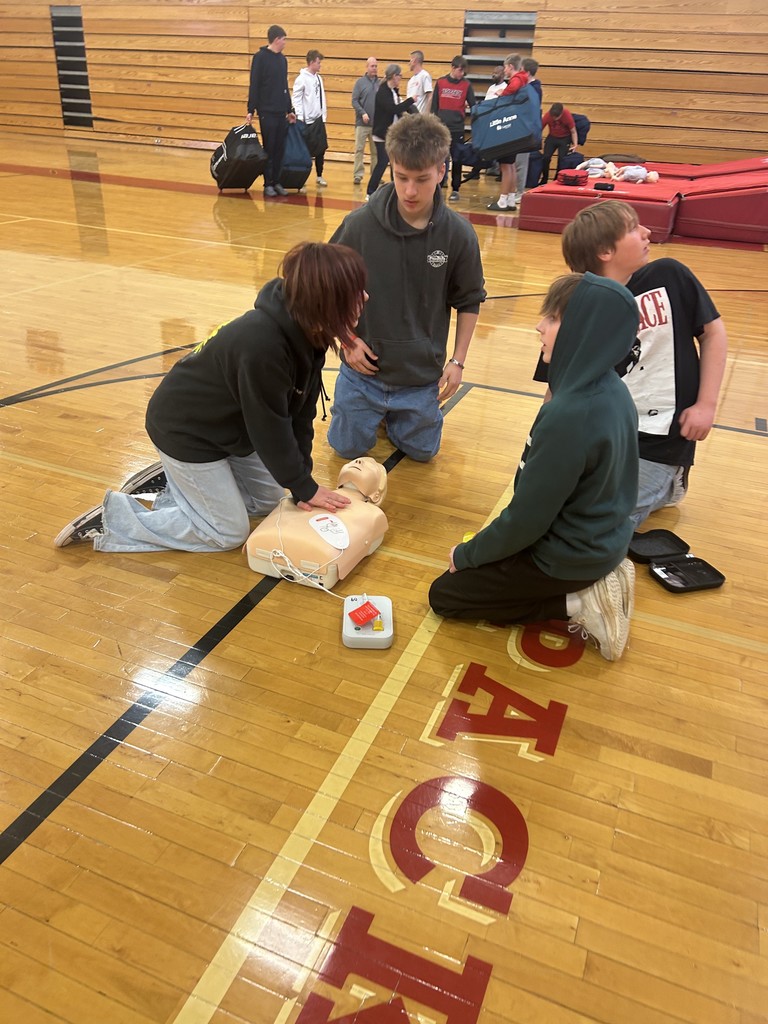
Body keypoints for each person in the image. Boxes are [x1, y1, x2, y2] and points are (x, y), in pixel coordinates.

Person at [54, 243, 370, 552]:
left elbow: (299, 415)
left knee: (269, 502)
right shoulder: (262, 344)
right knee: (227, 532)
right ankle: (115, 518)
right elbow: (270, 427)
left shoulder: (308, 330)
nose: (365, 297)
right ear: (326, 300)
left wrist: (303, 483)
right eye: (355, 292)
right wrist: (304, 486)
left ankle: (174, 486)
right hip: (188, 431)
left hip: (233, 430)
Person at [429, 273, 639, 662]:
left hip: (569, 556)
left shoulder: (570, 414)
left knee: (445, 596)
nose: (539, 327)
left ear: (584, 331)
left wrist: (467, 555)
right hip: (603, 540)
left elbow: (527, 521)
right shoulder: (611, 389)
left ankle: (579, 601)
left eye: (554, 319)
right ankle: (593, 581)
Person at [538, 200, 728, 528]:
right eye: (632, 228)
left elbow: (713, 333)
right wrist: (541, 449)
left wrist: (706, 404)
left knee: (598, 520)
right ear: (604, 250)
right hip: (596, 447)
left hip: (657, 451)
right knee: (550, 505)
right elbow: (558, 389)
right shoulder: (575, 305)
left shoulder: (669, 275)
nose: (646, 232)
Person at [327, 113, 485, 463]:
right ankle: (373, 413)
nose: (410, 191)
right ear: (391, 168)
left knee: (422, 453)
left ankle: (395, 419)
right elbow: (325, 288)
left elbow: (470, 300)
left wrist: (458, 361)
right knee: (345, 449)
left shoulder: (458, 234)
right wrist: (347, 341)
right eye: (401, 178)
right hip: (362, 373)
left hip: (419, 377)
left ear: (442, 171)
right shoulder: (359, 225)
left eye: (422, 179)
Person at [246, 25, 296, 197]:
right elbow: (255, 84)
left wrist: (289, 109)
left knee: (280, 149)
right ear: (276, 39)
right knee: (269, 148)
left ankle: (277, 181)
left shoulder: (282, 60)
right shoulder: (260, 58)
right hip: (266, 111)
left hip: (280, 111)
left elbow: (284, 86)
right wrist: (251, 109)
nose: (285, 43)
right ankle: (267, 183)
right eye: (284, 39)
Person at [487, 56, 538, 212]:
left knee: (506, 166)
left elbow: (513, 89)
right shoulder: (524, 79)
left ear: (510, 66)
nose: (505, 71)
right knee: (511, 166)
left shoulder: (517, 78)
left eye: (505, 67)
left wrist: (503, 94)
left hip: (510, 128)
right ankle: (509, 199)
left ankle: (503, 200)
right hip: (517, 128)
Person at [365, 64, 416, 199]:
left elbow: (398, 111)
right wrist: (411, 100)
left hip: (392, 135)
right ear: (394, 76)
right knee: (382, 162)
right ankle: (370, 191)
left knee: (396, 163)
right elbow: (393, 109)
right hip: (382, 134)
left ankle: (397, 190)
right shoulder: (383, 92)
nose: (400, 78)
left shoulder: (393, 91)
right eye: (400, 76)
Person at [431, 55, 476, 202]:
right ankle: (437, 186)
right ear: (453, 67)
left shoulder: (466, 85)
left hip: (457, 129)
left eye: (463, 71)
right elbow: (434, 107)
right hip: (441, 128)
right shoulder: (441, 82)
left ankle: (455, 189)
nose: (461, 74)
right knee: (439, 159)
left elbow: (474, 106)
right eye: (460, 70)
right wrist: (433, 125)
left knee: (457, 159)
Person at [292, 49, 329, 188]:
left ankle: (319, 175)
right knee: (305, 152)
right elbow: (296, 99)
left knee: (321, 150)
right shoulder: (301, 79)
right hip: (307, 122)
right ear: (312, 62)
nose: (320, 65)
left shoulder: (318, 78)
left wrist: (323, 115)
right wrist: (300, 118)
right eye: (318, 62)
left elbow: (322, 98)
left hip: (319, 120)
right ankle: (302, 179)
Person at [514, 59, 542, 205]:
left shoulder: (534, 88)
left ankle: (519, 192)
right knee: (516, 162)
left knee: (521, 163)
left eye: (522, 70)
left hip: (527, 130)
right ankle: (514, 191)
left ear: (527, 72)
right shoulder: (527, 87)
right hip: (521, 127)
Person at [351, 57, 380, 185]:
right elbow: (354, 101)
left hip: (376, 124)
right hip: (362, 124)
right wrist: (362, 113)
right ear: (367, 67)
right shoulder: (360, 83)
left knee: (376, 152)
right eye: (372, 66)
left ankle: (375, 175)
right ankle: (358, 175)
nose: (374, 68)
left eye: (376, 66)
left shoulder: (381, 83)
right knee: (359, 150)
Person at [539, 102, 578, 185]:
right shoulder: (548, 115)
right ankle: (544, 178)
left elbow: (573, 131)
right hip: (552, 137)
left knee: (561, 160)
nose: (555, 118)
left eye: (557, 117)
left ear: (561, 113)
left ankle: (556, 179)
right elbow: (539, 129)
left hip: (565, 138)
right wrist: (538, 142)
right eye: (553, 117)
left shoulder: (567, 115)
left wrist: (575, 144)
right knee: (545, 158)